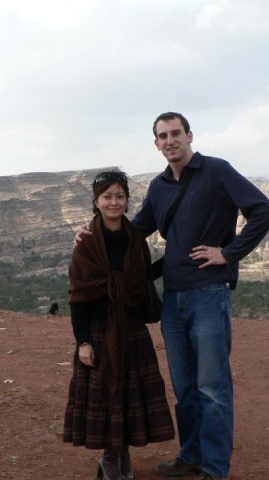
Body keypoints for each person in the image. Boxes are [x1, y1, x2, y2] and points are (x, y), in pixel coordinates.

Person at [76, 112, 269, 480]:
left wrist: (228, 253)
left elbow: (264, 210)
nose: (170, 141)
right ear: (156, 143)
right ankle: (191, 456)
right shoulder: (160, 185)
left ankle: (215, 469)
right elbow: (135, 230)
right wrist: (93, 233)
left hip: (208, 293)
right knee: (185, 387)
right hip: (174, 298)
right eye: (162, 136)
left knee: (213, 388)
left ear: (189, 135)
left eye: (175, 133)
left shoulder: (217, 171)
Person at [64, 170, 175, 480]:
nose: (114, 202)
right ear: (96, 201)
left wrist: (175, 255)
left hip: (132, 330)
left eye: (120, 196)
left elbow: (140, 277)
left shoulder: (135, 238)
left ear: (127, 201)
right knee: (107, 395)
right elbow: (79, 295)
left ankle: (122, 456)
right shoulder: (86, 241)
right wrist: (83, 342)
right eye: (107, 196)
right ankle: (110, 459)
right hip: (99, 333)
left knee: (128, 395)